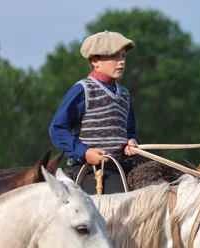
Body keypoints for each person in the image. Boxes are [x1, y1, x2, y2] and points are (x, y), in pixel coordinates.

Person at [49, 30, 140, 194]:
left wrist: (131, 142)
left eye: (123, 56)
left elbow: (129, 131)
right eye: (115, 56)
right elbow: (57, 129)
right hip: (92, 170)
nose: (121, 62)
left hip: (122, 167)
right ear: (95, 60)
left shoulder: (124, 94)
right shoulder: (83, 89)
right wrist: (84, 152)